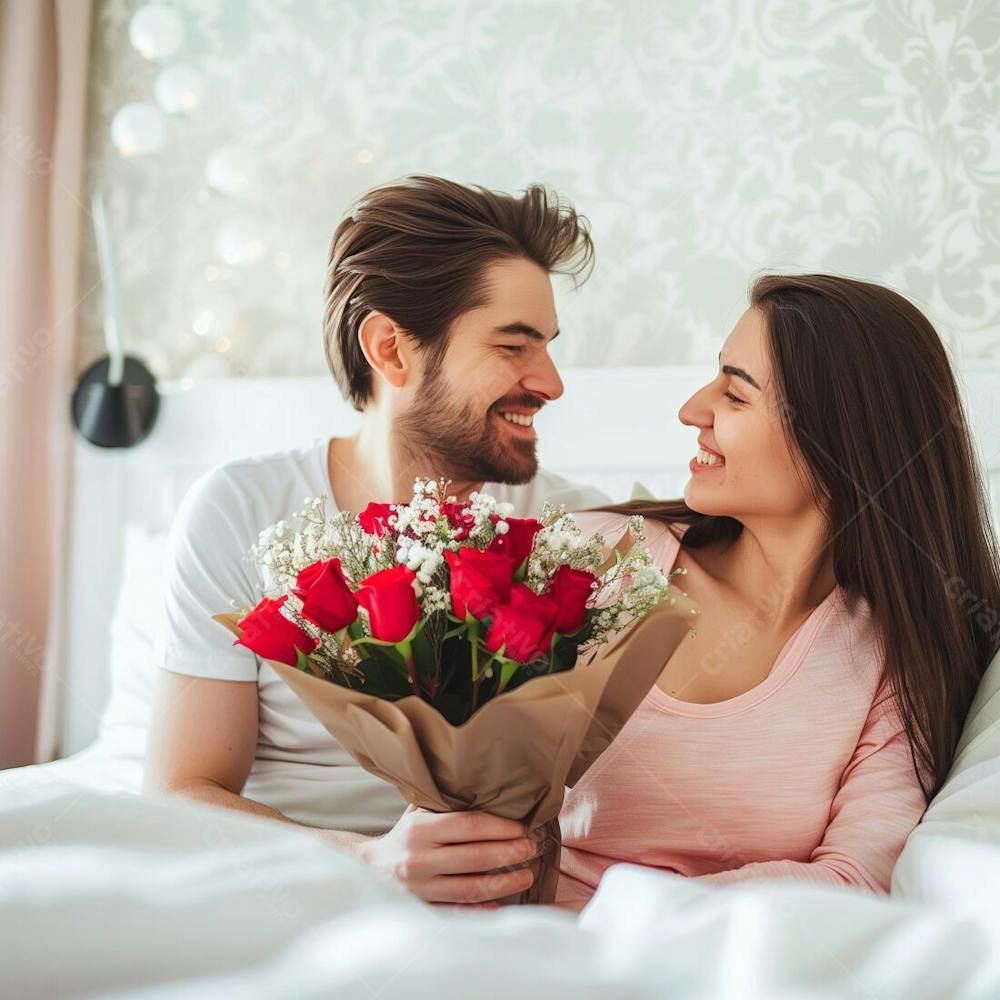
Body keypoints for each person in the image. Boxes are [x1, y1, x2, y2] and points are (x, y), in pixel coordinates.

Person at [144, 175, 610, 907]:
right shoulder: (242, 509)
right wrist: (362, 862)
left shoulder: (575, 533)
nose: (550, 382)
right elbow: (180, 790)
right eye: (515, 346)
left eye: (547, 347)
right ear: (391, 350)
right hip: (283, 893)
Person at [551, 273, 1000, 909]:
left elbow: (857, 880)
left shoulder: (894, 661)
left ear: (837, 443)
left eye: (734, 395)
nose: (691, 411)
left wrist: (633, 920)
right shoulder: (594, 555)